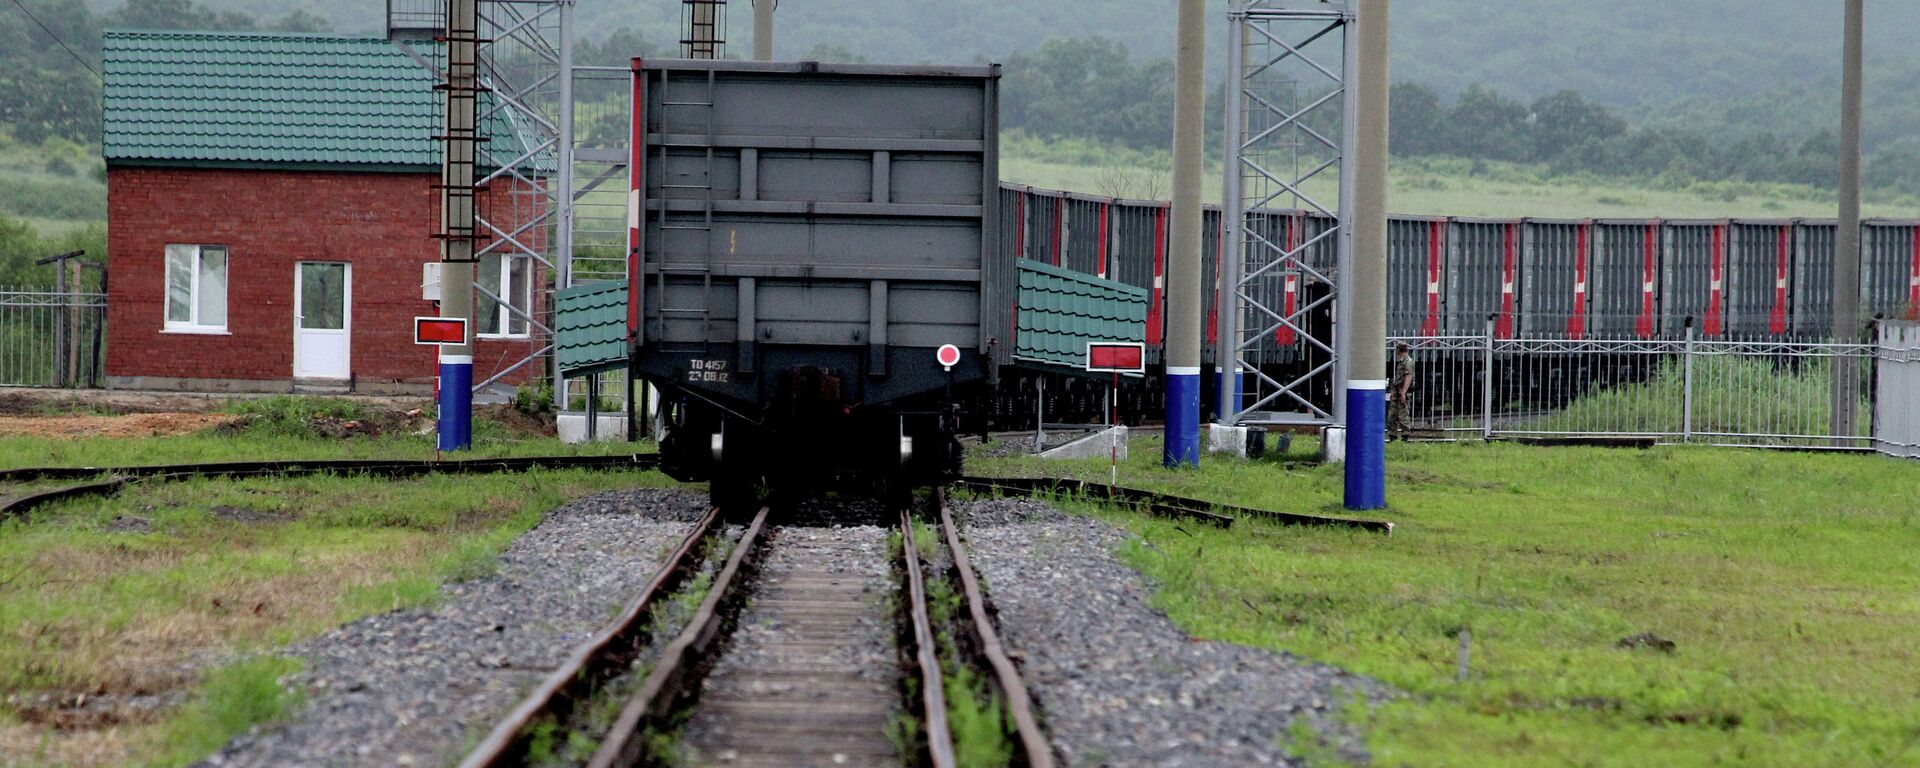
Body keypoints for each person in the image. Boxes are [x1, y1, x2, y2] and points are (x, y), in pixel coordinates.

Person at [1388, 342, 1415, 441]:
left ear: (1399, 350)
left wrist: (1403, 392)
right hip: (1397, 391)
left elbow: (1408, 377)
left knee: (1403, 415)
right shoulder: (1402, 361)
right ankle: (1393, 437)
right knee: (1392, 416)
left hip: (1402, 392)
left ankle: (1405, 437)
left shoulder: (1408, 362)